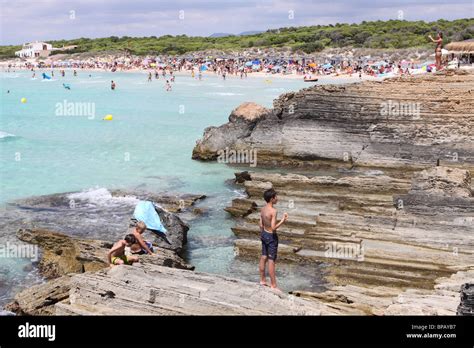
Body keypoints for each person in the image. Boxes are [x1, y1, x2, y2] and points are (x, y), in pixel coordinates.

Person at [259, 188, 288, 291]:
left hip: (264, 234)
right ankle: (273, 285)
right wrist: (283, 220)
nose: (277, 198)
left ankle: (262, 280)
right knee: (271, 261)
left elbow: (260, 224)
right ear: (272, 199)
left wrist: (263, 234)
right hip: (271, 236)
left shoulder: (262, 209)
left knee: (263, 257)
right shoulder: (273, 211)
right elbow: (273, 227)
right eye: (276, 197)